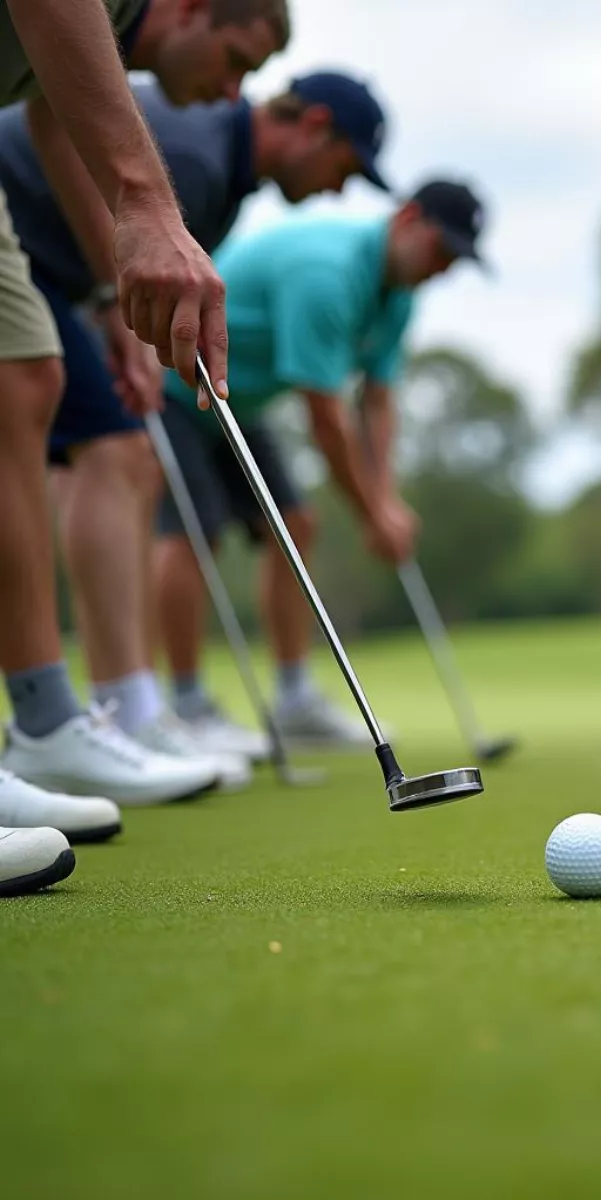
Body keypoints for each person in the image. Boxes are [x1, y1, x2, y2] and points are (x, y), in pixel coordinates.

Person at [0, 71, 395, 783]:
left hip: (72, 285)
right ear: (313, 127)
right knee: (125, 462)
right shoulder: (197, 157)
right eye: (344, 167)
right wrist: (110, 312)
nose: (341, 190)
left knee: (133, 461)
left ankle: (134, 710)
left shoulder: (227, 169)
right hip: (33, 262)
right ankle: (133, 710)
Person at [0, 0, 280, 894]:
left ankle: (47, 720)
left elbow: (48, 105)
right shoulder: (191, 156)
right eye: (236, 57)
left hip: (53, 249)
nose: (234, 93)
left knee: (24, 378)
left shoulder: (117, 41)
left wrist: (114, 293)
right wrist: (146, 198)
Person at [153, 178, 489, 747]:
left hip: (239, 400)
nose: (444, 268)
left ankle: (294, 703)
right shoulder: (327, 274)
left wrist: (387, 499)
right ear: (407, 219)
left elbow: (378, 400)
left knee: (295, 525)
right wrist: (371, 516)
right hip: (176, 387)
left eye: (456, 260)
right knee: (195, 536)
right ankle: (187, 708)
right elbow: (326, 420)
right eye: (441, 250)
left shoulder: (398, 295)